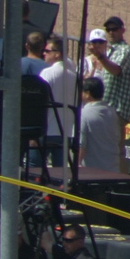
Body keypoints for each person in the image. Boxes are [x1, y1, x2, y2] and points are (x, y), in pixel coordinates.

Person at [82, 17, 130, 122]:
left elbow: (116, 70)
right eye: (108, 30)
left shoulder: (125, 50)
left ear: (122, 30)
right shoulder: (111, 50)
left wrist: (100, 56)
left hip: (118, 108)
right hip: (108, 105)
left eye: (114, 29)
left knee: (115, 138)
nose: (111, 32)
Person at [38, 35, 76, 166]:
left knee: (34, 168)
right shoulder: (73, 76)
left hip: (47, 130)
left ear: (57, 54)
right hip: (65, 132)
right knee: (60, 171)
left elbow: (40, 100)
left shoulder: (47, 73)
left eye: (47, 51)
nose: (44, 53)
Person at [77, 75, 122, 172]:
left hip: (92, 173)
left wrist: (76, 166)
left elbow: (80, 145)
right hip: (113, 170)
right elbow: (117, 139)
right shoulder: (112, 113)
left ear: (87, 94)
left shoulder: (83, 114)